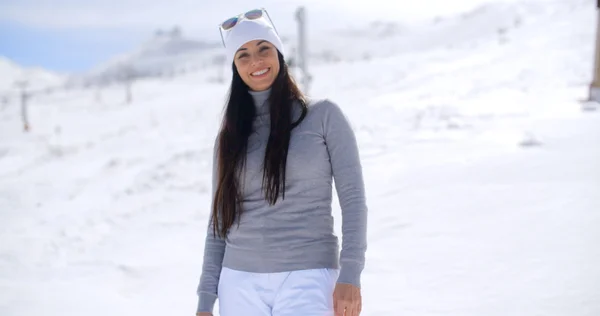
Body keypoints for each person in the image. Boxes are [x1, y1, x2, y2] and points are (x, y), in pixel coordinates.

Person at [195, 8, 368, 316]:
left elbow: (353, 200)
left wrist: (351, 273)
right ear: (235, 67)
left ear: (279, 55)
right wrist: (206, 299)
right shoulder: (229, 138)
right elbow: (218, 223)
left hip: (309, 275)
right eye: (243, 55)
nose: (256, 62)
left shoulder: (323, 116)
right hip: (238, 283)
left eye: (264, 49)